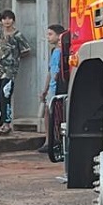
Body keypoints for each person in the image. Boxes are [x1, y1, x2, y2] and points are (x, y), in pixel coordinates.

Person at [0, 9, 31, 135]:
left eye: (9, 18)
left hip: (10, 70)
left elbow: (26, 50)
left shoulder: (17, 35)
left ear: (13, 20)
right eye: (4, 19)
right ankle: (0, 123)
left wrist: (15, 59)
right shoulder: (0, 34)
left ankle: (7, 123)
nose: (7, 21)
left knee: (5, 94)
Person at [38, 24, 67, 153]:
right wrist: (45, 89)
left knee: (58, 115)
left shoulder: (64, 51)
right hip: (52, 88)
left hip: (59, 87)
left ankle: (57, 140)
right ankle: (48, 140)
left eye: (50, 34)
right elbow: (50, 71)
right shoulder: (53, 51)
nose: (48, 37)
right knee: (48, 114)